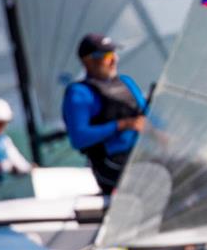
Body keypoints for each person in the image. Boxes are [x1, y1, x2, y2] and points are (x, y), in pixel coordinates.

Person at [62, 33, 147, 194]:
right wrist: (121, 125)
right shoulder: (79, 93)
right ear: (88, 61)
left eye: (114, 54)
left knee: (197, 166)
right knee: (155, 181)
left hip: (140, 156)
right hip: (109, 164)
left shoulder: (127, 82)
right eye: (107, 56)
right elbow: (79, 138)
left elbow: (149, 116)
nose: (114, 60)